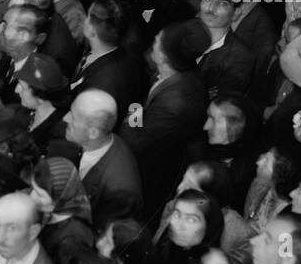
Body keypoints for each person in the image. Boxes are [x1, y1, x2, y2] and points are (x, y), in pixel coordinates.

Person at [119, 24, 209, 216]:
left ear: (165, 56)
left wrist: (134, 112)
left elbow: (135, 140)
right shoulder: (176, 74)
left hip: (152, 173)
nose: (153, 43)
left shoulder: (174, 104)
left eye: (157, 42)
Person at [65, 89, 144, 223]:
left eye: (73, 117)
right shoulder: (93, 142)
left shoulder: (120, 191)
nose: (65, 118)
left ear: (93, 133)